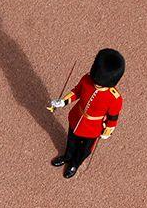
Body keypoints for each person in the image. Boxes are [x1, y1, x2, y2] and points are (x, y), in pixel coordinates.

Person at [48, 48, 125, 178]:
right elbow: (77, 92)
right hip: (76, 117)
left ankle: (75, 164)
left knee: (84, 150)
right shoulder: (87, 79)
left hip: (93, 129)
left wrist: (107, 132)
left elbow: (113, 118)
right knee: (71, 141)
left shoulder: (114, 98)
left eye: (100, 84)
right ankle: (67, 156)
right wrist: (63, 102)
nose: (97, 85)